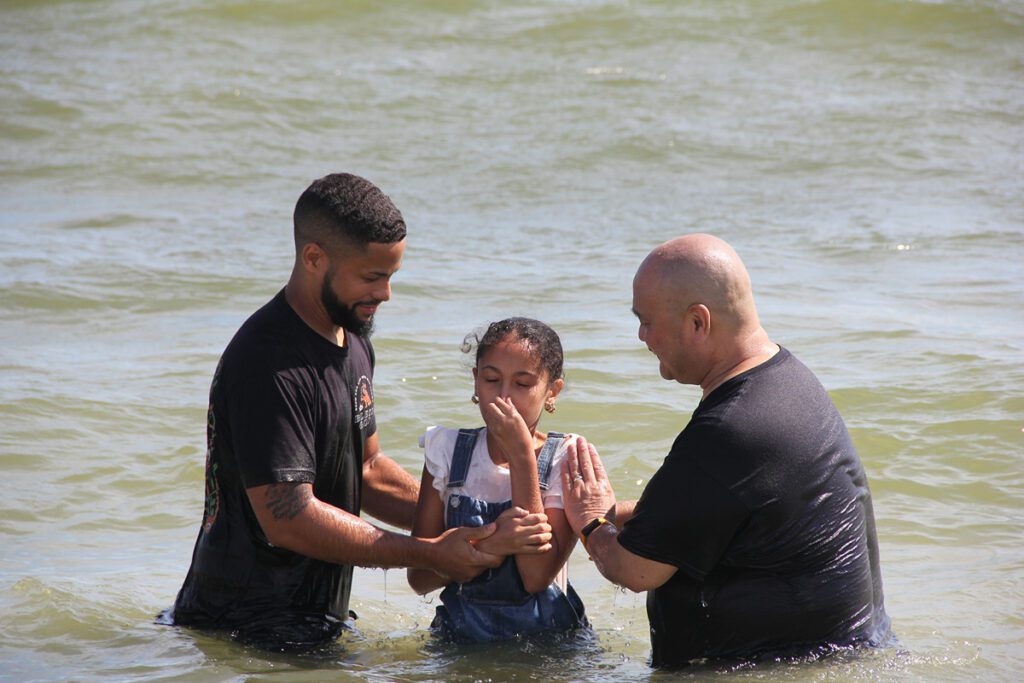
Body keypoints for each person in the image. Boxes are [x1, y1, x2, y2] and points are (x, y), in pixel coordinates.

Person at [164, 173, 551, 650]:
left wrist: (483, 521)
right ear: (313, 258)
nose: (385, 294)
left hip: (313, 621)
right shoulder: (268, 362)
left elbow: (367, 470)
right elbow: (288, 518)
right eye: (372, 277)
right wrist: (429, 551)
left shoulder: (352, 339)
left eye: (390, 276)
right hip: (243, 631)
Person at [561, 234, 891, 668]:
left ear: (698, 322)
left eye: (647, 321)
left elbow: (634, 570)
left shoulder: (732, 429)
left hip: (776, 667)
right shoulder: (786, 381)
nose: (641, 336)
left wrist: (589, 521)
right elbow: (731, 509)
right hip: (836, 655)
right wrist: (618, 511)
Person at [407, 318, 589, 642]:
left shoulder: (565, 457)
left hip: (545, 645)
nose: (504, 398)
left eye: (522, 384)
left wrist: (521, 457)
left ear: (552, 392)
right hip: (460, 639)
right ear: (476, 381)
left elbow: (535, 576)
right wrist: (491, 543)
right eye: (491, 379)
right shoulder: (446, 451)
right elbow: (420, 576)